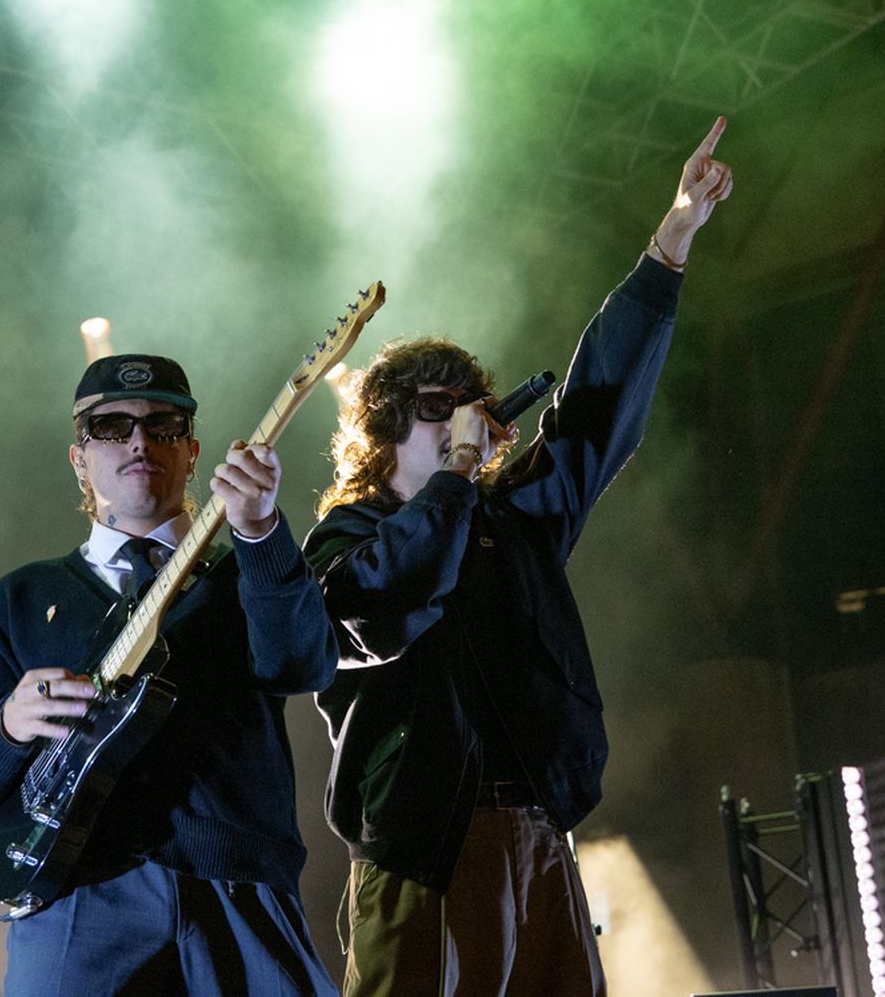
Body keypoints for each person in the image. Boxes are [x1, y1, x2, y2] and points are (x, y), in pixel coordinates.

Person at [305, 119, 734, 996]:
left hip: (536, 829)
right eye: (437, 409)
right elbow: (395, 590)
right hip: (426, 844)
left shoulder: (510, 518)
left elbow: (590, 417)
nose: (464, 421)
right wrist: (462, 469)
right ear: (383, 429)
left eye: (474, 408)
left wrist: (671, 242)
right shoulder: (343, 539)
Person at [0, 353, 339, 996]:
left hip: (239, 891)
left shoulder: (249, 571)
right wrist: (7, 725)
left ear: (193, 451)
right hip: (78, 903)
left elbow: (303, 665)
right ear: (79, 457)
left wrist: (261, 533)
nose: (140, 441)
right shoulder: (21, 598)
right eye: (111, 427)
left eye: (164, 425)